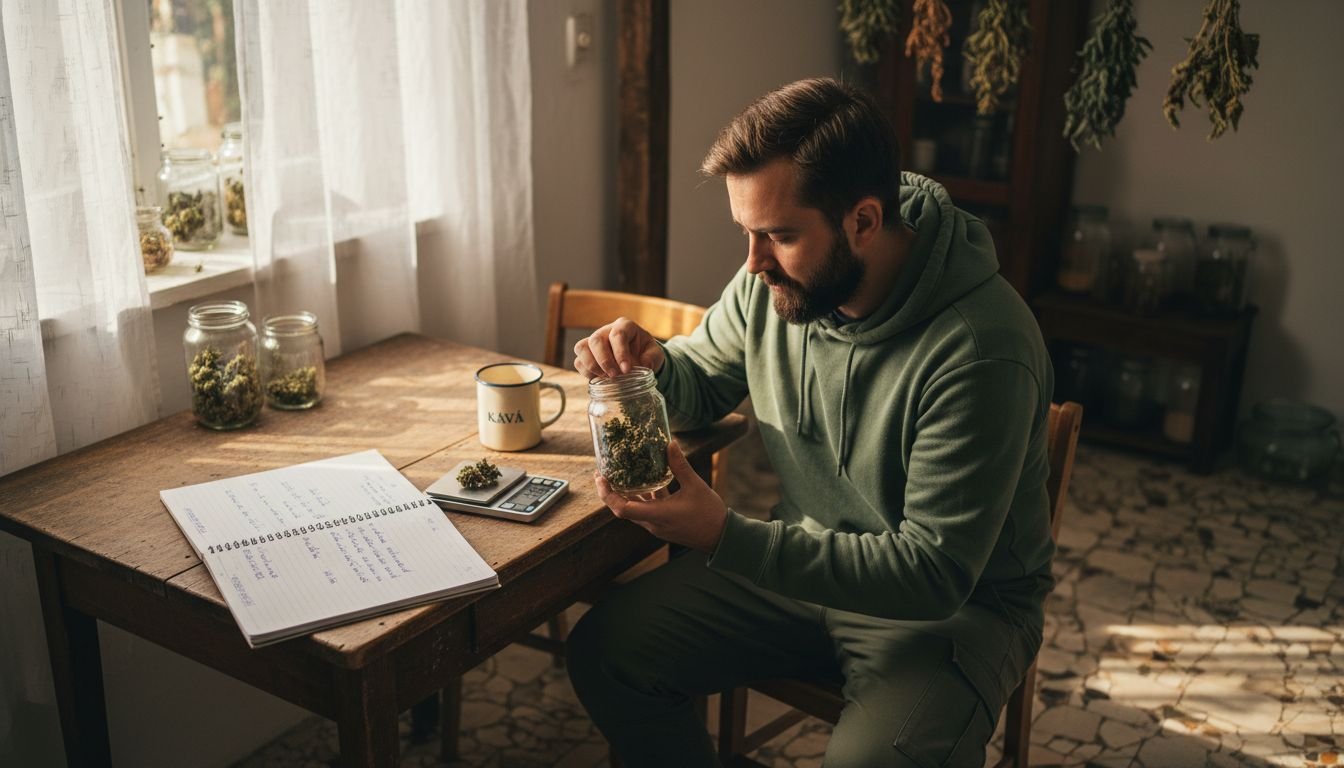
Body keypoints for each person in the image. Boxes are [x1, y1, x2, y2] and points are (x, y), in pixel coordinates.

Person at [566, 77, 1055, 768]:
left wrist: (723, 535)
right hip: (804, 564)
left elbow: (934, 572)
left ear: (862, 220)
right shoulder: (773, 284)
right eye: (747, 233)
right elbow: (702, 380)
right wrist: (649, 368)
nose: (753, 264)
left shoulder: (983, 346)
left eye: (781, 236)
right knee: (605, 652)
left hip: (953, 612)